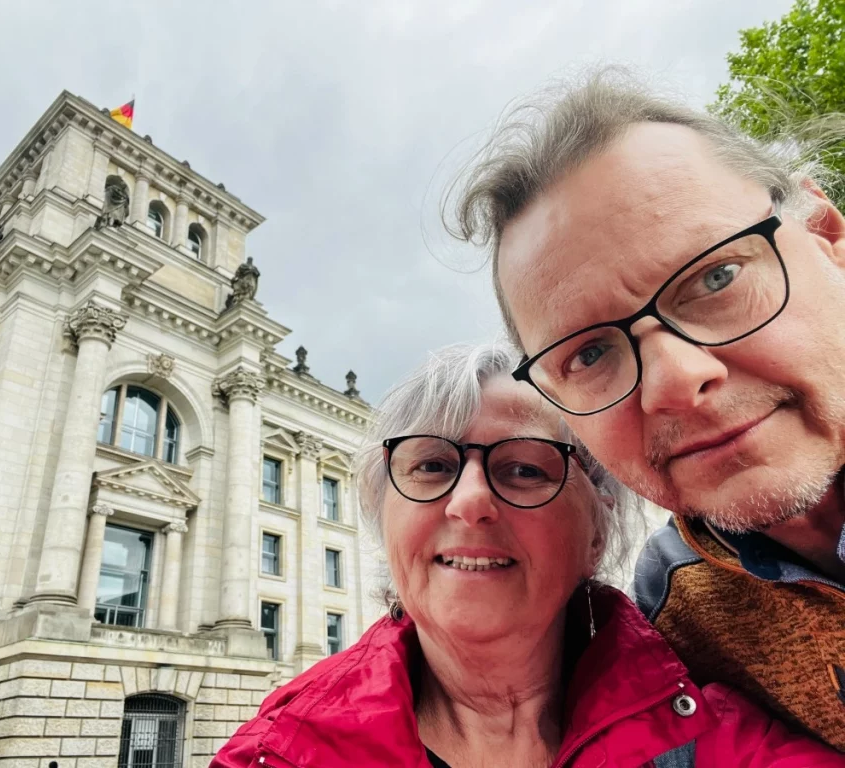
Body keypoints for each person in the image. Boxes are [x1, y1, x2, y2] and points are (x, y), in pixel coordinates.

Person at [448, 68, 845, 749]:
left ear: (827, 235)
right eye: (589, 354)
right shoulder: (672, 611)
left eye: (717, 277)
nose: (675, 382)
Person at [211, 343, 840, 767]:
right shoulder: (278, 753)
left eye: (525, 469)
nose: (469, 503)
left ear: (597, 533)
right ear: (384, 520)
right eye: (431, 466)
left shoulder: (713, 739)